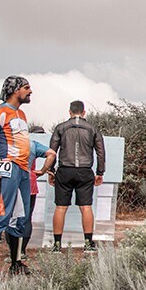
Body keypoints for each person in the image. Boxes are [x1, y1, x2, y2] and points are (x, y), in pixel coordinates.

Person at [0, 76, 34, 278]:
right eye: (26, 88)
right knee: (0, 215)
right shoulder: (1, 111)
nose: (30, 91)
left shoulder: (22, 114)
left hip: (22, 170)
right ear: (15, 90)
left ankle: (16, 263)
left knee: (20, 217)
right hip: (7, 168)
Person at [49, 100, 106, 253]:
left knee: (60, 207)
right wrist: (100, 172)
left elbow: (52, 152)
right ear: (84, 112)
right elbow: (100, 152)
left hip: (64, 170)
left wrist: (51, 171)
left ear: (69, 112)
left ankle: (57, 246)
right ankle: (88, 244)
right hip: (85, 171)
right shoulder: (92, 129)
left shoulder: (60, 127)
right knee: (86, 207)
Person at [24, 127, 53, 258]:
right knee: (27, 217)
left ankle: (13, 250)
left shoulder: (9, 144)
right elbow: (52, 154)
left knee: (11, 218)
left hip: (12, 183)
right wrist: (43, 170)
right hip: (30, 182)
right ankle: (22, 250)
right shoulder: (33, 145)